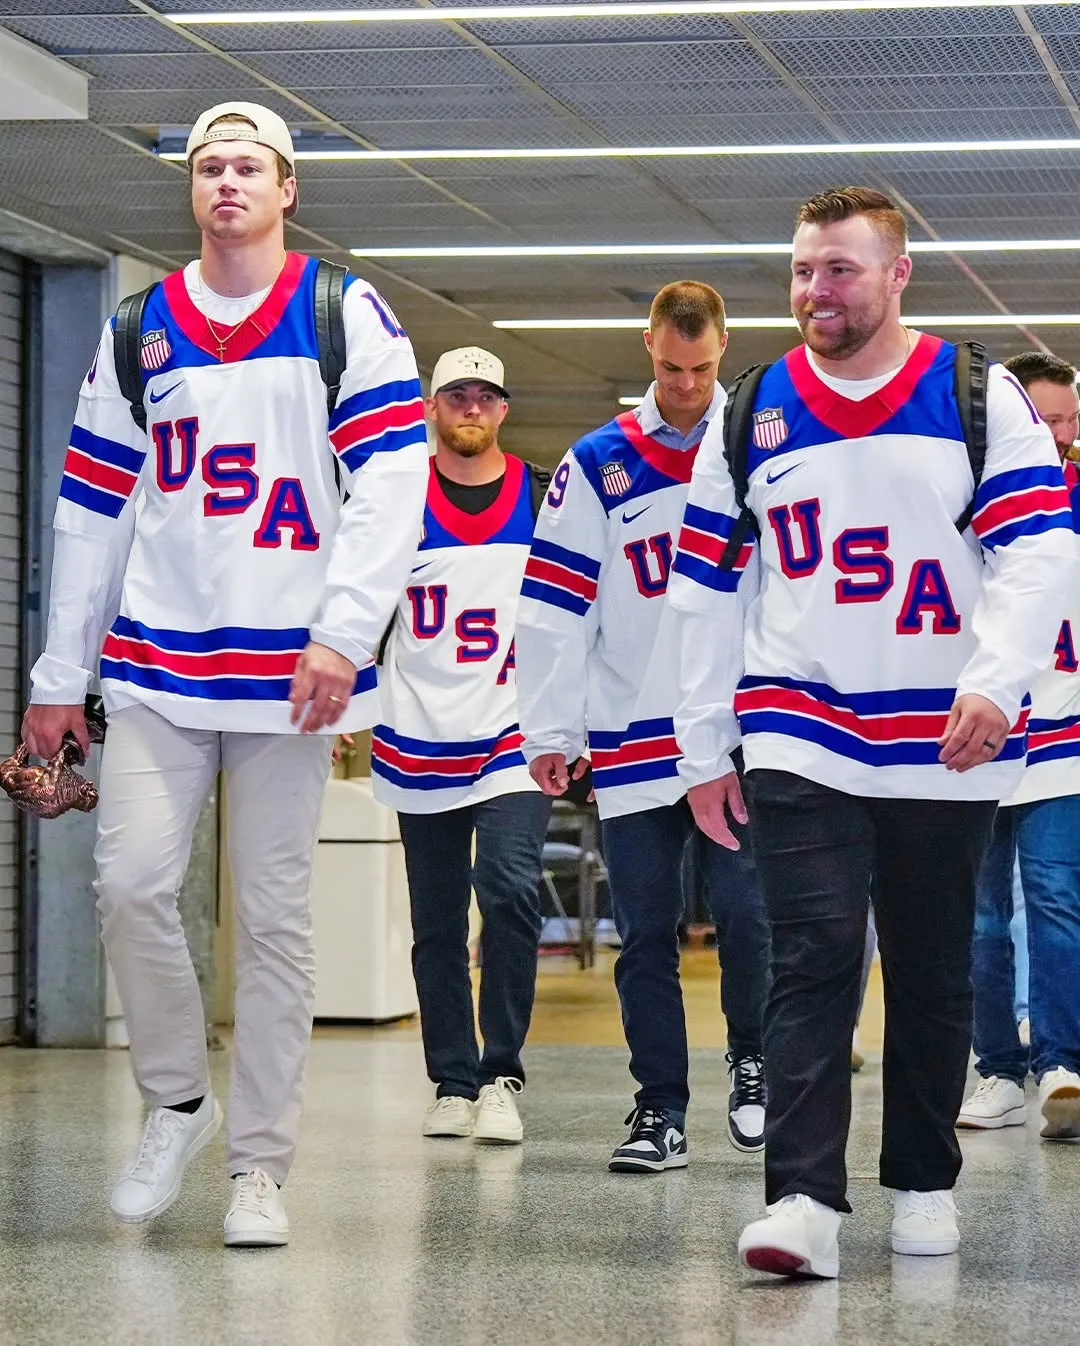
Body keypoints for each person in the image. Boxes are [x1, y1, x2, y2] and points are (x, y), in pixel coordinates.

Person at [21, 101, 428, 1246]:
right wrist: (60, 670)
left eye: (248, 165)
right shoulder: (136, 327)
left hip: (291, 676)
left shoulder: (347, 315)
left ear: (288, 187)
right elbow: (92, 509)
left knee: (275, 919)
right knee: (133, 886)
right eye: (208, 167)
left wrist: (346, 633)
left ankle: (261, 1167)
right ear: (191, 189)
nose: (227, 183)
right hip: (155, 661)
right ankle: (177, 1100)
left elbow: (395, 484)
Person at [668, 187, 1077, 1278]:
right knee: (814, 955)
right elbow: (706, 585)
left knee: (935, 963)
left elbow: (1041, 551)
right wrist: (703, 745)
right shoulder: (749, 405)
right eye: (803, 269)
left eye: (840, 268)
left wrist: (998, 682)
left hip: (943, 731)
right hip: (800, 723)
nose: (816, 290)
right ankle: (803, 1195)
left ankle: (923, 1180)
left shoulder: (975, 393)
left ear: (899, 274)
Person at [516, 281, 771, 1172]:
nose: (690, 385)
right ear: (648, 351)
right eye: (672, 367)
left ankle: (753, 1063)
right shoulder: (597, 462)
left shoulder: (755, 442)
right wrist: (549, 731)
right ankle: (659, 1109)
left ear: (725, 348)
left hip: (736, 735)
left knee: (748, 915)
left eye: (703, 368)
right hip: (630, 735)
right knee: (646, 933)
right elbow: (552, 603)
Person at [371, 347, 551, 1145]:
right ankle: (452, 1079)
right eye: (456, 396)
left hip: (513, 730)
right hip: (418, 731)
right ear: (431, 407)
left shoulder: (543, 499)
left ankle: (501, 1072)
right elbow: (362, 606)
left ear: (504, 408)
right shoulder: (396, 503)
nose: (471, 408)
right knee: (436, 920)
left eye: (485, 395)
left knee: (510, 891)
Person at [957, 351, 1080, 1139]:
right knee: (979, 919)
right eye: (1050, 422)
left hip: (1065, 734)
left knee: (1059, 904)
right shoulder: (966, 503)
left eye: (1071, 421)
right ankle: (997, 1066)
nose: (1064, 435)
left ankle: (1063, 1064)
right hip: (976, 734)